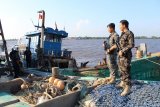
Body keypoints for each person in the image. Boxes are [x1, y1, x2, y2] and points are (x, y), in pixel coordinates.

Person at [116, 20, 135, 96]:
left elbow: (131, 45)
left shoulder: (129, 33)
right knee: (121, 70)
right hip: (121, 56)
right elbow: (121, 44)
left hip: (126, 56)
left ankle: (128, 88)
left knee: (126, 71)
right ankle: (123, 83)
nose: (119, 27)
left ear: (124, 25)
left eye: (120, 25)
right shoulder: (122, 34)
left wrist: (123, 50)